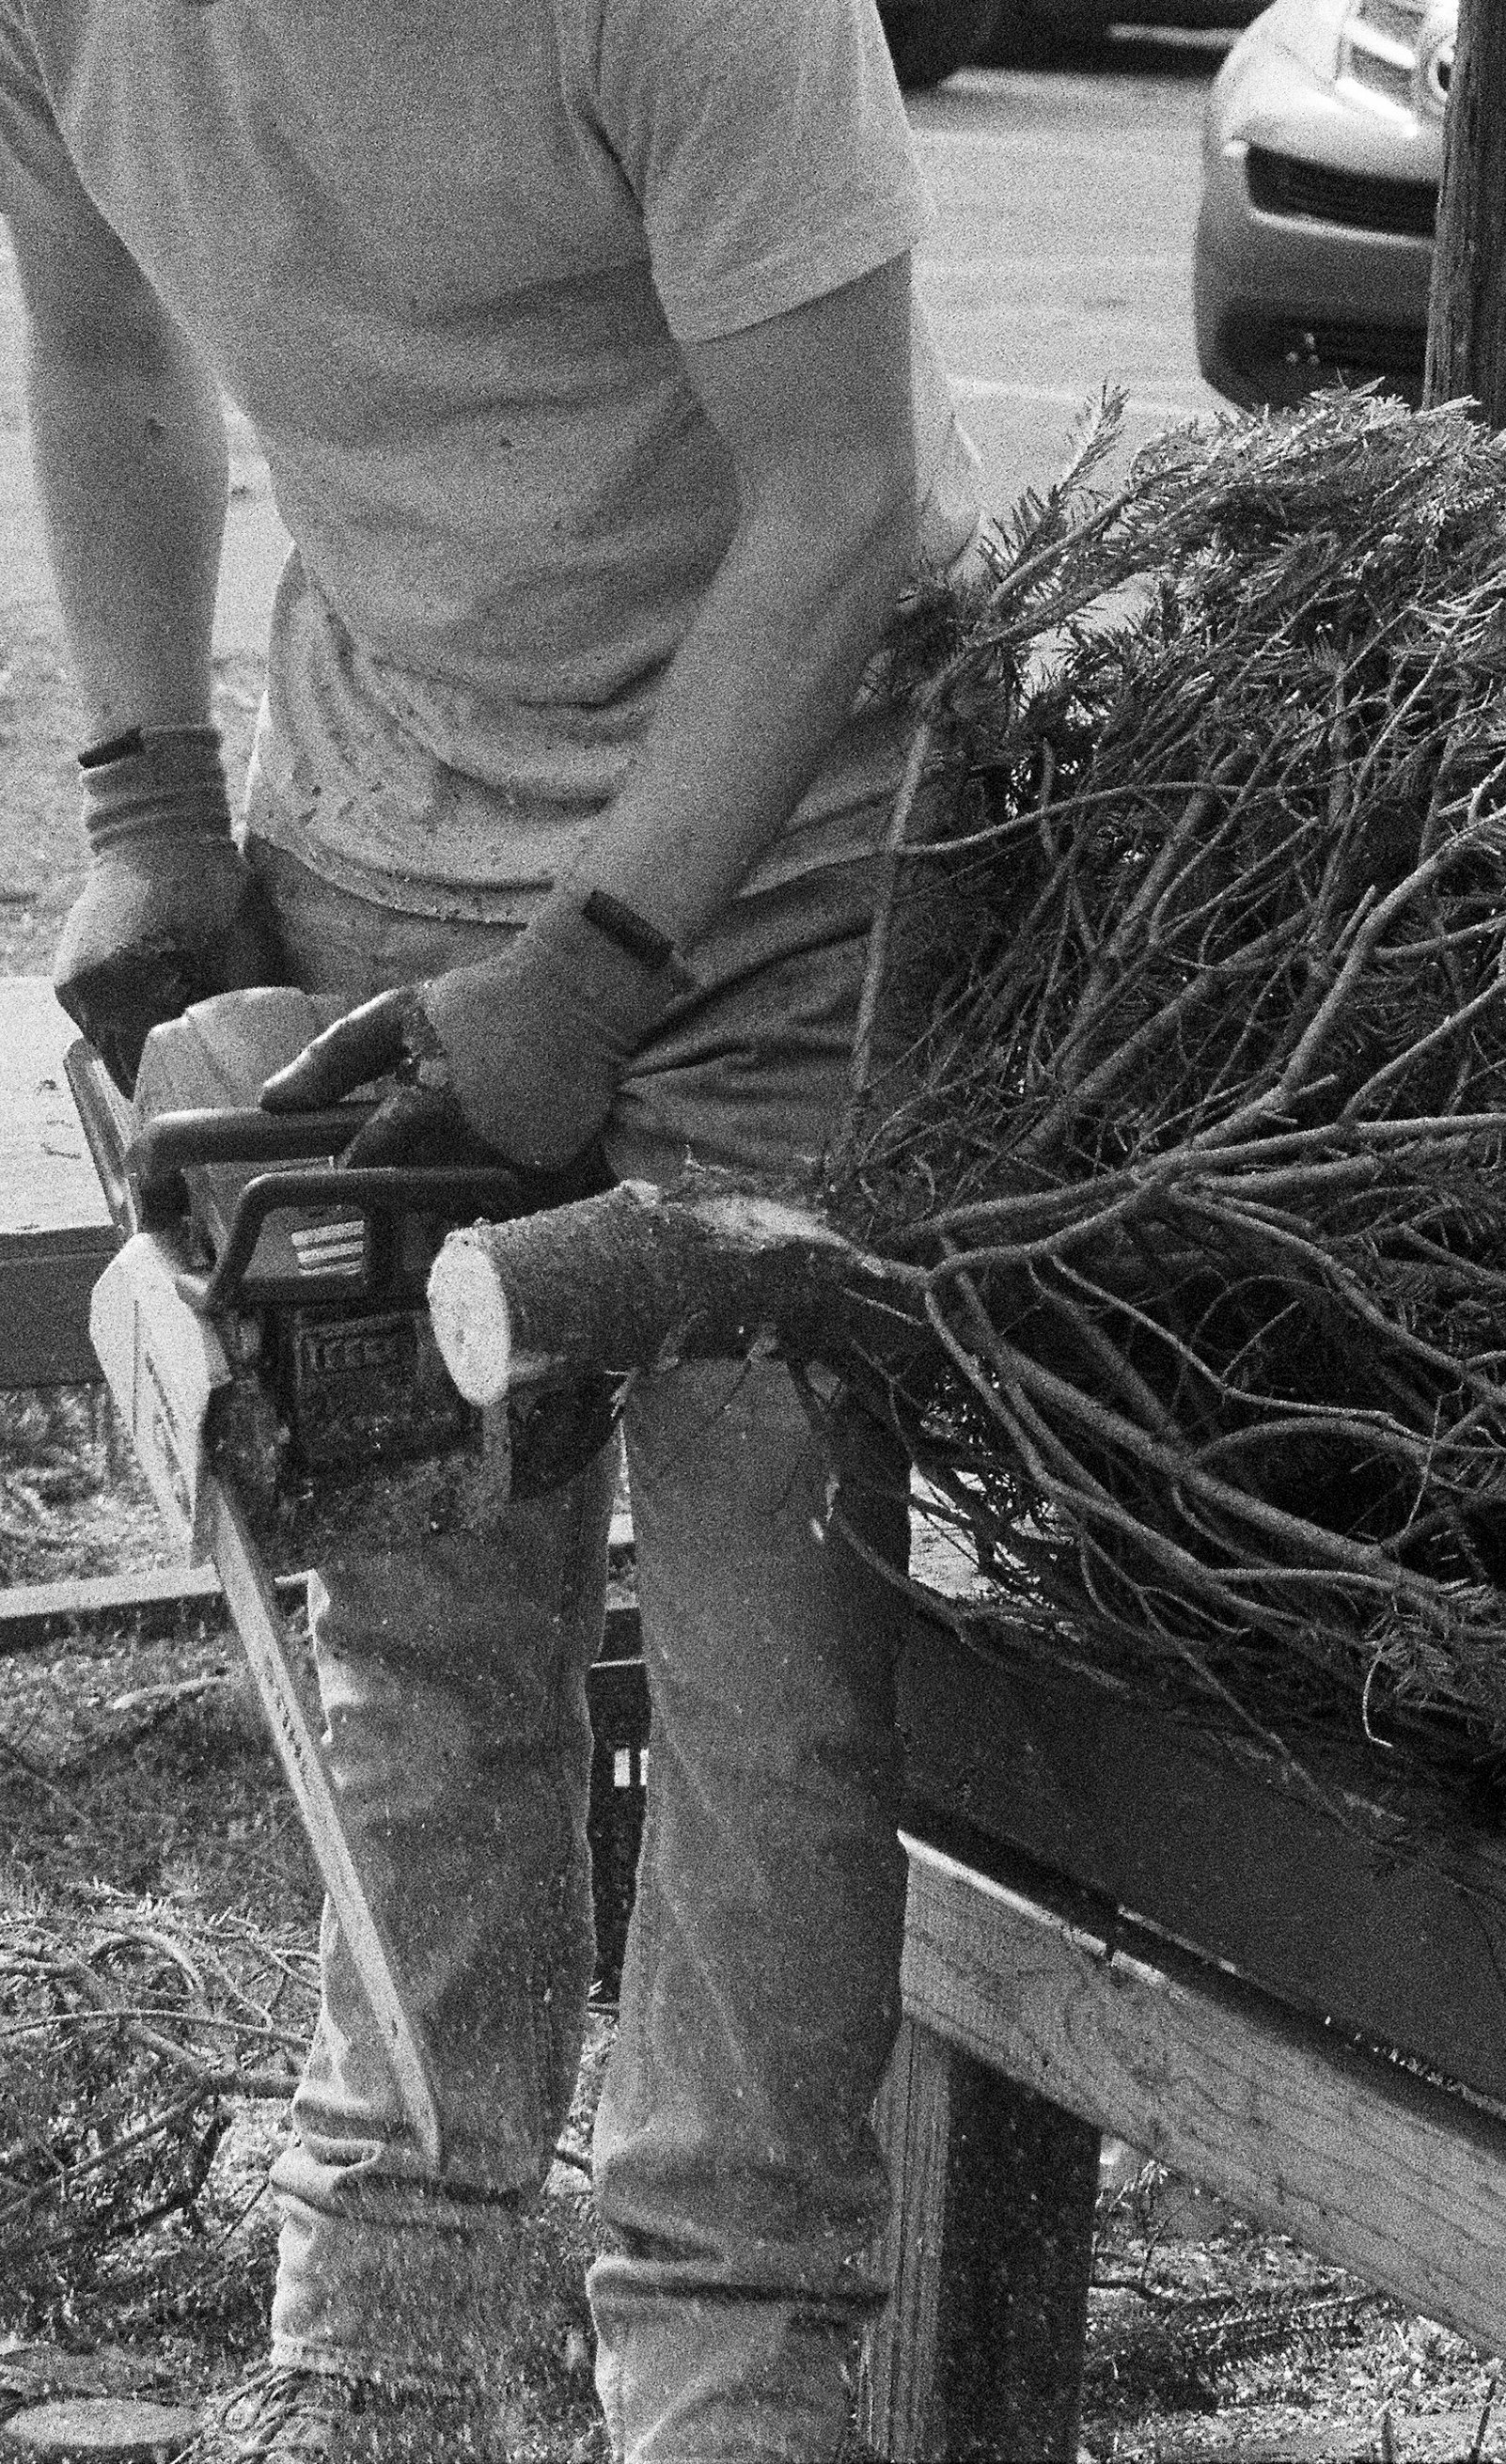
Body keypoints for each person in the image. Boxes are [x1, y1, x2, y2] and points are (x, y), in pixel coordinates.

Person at [0, 0, 980, 2456]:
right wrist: (145, 792)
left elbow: (839, 498)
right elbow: (105, 326)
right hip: (372, 851)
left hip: (793, 878)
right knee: (422, 1668)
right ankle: (390, 2358)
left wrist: (593, 973)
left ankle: (737, 2380)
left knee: (769, 1689)